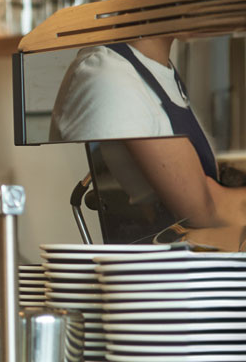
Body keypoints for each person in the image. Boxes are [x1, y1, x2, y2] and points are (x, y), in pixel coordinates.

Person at [50, 34, 246, 243]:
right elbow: (205, 210)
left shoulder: (160, 72)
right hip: (143, 268)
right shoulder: (107, 73)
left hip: (178, 265)